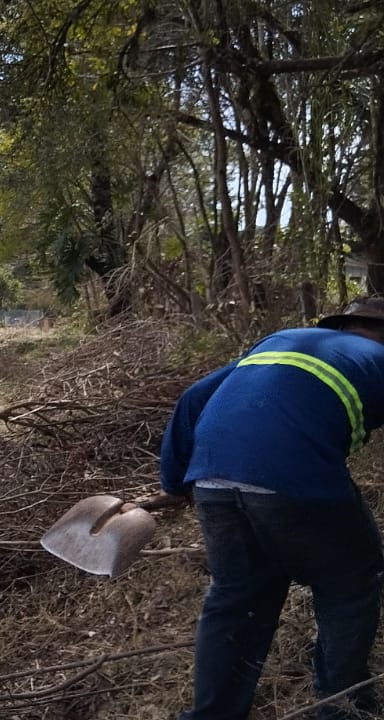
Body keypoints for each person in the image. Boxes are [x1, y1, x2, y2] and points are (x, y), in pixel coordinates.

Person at [160, 297, 384, 720]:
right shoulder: (379, 359)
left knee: (236, 595)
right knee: (350, 582)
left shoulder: (283, 340)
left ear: (342, 325)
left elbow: (192, 399)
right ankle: (341, 707)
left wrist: (175, 484)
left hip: (212, 477)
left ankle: (213, 714)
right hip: (294, 480)